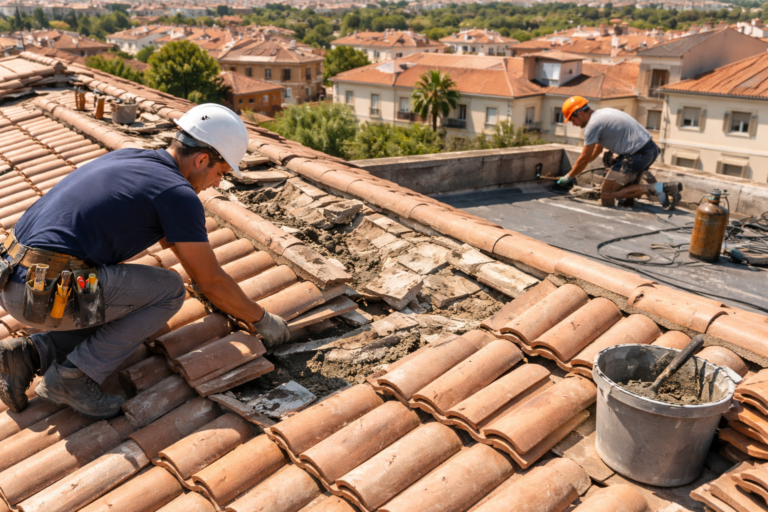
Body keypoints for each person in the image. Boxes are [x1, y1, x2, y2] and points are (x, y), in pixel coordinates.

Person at [0, 104, 290, 419]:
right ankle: (74, 378)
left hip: (14, 278)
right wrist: (262, 320)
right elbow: (210, 280)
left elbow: (174, 242)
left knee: (127, 299)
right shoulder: (177, 193)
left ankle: (28, 355)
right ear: (202, 159)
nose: (218, 184)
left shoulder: (133, 158)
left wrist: (210, 287)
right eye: (220, 173)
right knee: (168, 290)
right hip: (42, 293)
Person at [557, 96, 682, 209]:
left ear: (580, 113)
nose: (573, 124)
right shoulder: (602, 113)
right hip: (650, 150)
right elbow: (597, 149)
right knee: (627, 194)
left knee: (607, 194)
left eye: (573, 120)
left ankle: (663, 188)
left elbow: (584, 158)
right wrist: (584, 165)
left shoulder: (592, 126)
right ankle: (661, 194)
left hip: (637, 155)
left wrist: (568, 177)